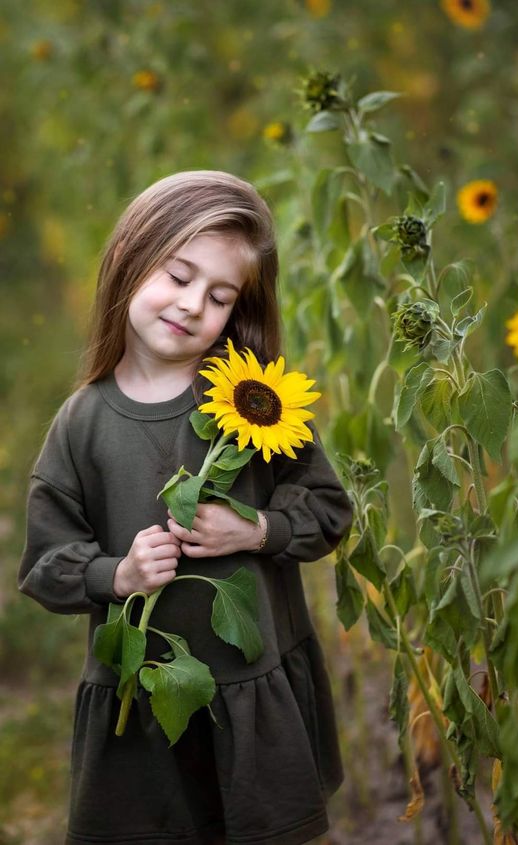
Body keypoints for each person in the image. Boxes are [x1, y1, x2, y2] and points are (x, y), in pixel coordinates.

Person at [18, 171, 353, 845]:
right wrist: (117, 574)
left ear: (239, 311)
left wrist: (258, 528)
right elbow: (46, 559)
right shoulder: (82, 422)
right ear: (130, 260)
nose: (193, 304)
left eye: (220, 295)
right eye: (178, 275)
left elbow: (326, 505)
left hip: (250, 689)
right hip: (139, 692)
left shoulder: (252, 402)